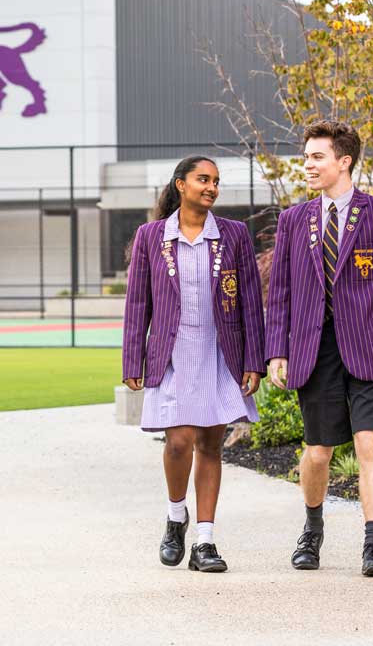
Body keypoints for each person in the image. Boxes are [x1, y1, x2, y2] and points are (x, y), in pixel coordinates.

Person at [265, 120, 373, 578]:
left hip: (369, 346)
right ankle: (312, 529)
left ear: (343, 161)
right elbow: (281, 293)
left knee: (369, 442)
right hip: (314, 349)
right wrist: (277, 350)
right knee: (318, 452)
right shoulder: (293, 220)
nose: (307, 164)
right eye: (306, 156)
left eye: (317, 156)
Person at [121, 156, 266, 573]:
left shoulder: (235, 236)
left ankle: (205, 541)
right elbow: (138, 304)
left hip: (221, 353)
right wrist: (134, 357)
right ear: (181, 185)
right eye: (203, 179)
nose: (211, 187)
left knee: (210, 443)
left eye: (216, 181)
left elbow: (250, 303)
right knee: (179, 441)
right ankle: (174, 516)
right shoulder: (151, 237)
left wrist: (253, 359)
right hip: (172, 354)